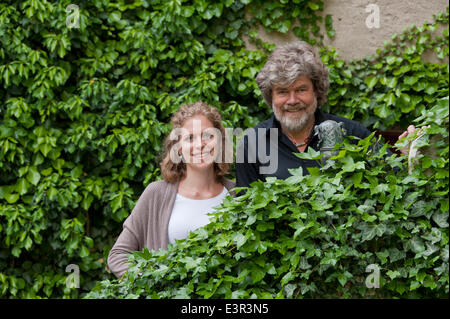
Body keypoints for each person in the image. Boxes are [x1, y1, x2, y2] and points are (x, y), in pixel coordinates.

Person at [236, 41, 418, 188]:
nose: (292, 100)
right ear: (271, 97)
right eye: (282, 92)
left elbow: (394, 180)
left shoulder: (353, 133)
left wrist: (406, 155)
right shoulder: (253, 142)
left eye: (301, 89)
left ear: (316, 90)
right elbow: (246, 210)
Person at [108, 101, 235, 278]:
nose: (200, 145)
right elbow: (118, 255)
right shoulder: (156, 194)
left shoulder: (237, 194)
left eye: (208, 135)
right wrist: (152, 285)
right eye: (190, 138)